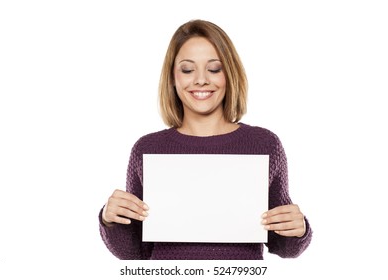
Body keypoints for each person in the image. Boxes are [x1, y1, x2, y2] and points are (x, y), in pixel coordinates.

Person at [99, 19, 312, 260]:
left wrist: (298, 228)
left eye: (214, 69)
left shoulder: (264, 144)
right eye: (188, 69)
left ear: (230, 74)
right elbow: (134, 252)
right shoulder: (148, 149)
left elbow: (283, 246)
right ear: (173, 77)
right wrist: (111, 219)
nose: (201, 80)